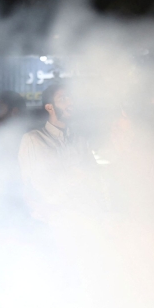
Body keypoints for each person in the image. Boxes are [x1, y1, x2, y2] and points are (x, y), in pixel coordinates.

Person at [17, 83, 100, 223]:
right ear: (49, 107)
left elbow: (94, 178)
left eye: (71, 98)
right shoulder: (33, 140)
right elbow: (26, 186)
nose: (70, 102)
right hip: (49, 223)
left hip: (83, 220)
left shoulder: (80, 141)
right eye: (63, 99)